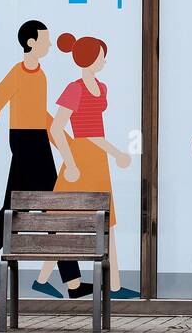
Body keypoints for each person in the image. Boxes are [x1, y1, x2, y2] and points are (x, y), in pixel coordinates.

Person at [0, 21, 81, 298]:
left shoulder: (39, 74)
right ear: (32, 42)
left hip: (33, 141)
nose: (49, 44)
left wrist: (67, 146)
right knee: (50, 209)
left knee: (11, 212)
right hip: (28, 144)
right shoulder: (19, 72)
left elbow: (42, 116)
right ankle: (73, 282)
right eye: (45, 40)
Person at [33, 32, 138, 300]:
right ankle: (44, 279)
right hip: (78, 158)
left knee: (107, 221)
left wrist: (114, 153)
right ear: (90, 59)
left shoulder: (101, 88)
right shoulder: (74, 89)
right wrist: (69, 163)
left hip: (96, 158)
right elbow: (57, 128)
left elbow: (95, 134)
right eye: (101, 56)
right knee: (61, 220)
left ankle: (112, 286)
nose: (104, 61)